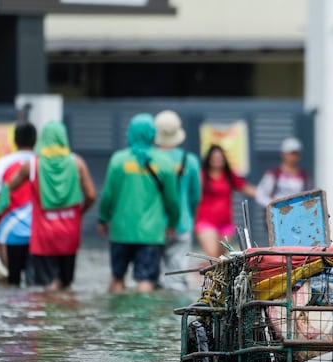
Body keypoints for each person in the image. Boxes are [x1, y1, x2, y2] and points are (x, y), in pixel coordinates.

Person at [9, 120, 97, 291]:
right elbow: (92, 195)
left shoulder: (33, 165)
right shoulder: (77, 163)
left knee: (47, 286)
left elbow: (10, 186)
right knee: (66, 284)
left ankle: (48, 315)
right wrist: (80, 212)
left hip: (44, 235)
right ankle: (66, 315)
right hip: (69, 232)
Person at [98, 113, 180, 293]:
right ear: (152, 134)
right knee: (146, 280)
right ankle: (143, 318)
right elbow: (172, 200)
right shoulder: (164, 162)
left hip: (120, 231)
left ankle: (116, 318)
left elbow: (107, 196)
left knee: (117, 278)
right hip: (150, 233)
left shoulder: (118, 160)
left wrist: (103, 219)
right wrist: (173, 222)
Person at [0, 121, 37, 286]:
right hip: (38, 234)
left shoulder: (2, 164)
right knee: (36, 288)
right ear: (35, 141)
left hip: (9, 234)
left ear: (14, 141)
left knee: (9, 285)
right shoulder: (41, 162)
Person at [153, 110, 202, 290]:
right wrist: (188, 215)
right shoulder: (189, 160)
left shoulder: (150, 159)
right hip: (182, 223)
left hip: (152, 226)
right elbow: (195, 195)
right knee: (178, 279)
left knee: (149, 280)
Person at [194, 144, 256, 258]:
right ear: (209, 159)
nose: (217, 160)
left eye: (220, 157)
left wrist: (267, 197)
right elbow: (191, 193)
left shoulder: (228, 175)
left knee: (222, 258)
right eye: (214, 157)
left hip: (226, 224)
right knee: (212, 255)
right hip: (206, 222)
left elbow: (246, 188)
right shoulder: (201, 175)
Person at [254, 136, 311, 207]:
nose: (292, 157)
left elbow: (310, 197)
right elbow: (260, 195)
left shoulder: (304, 177)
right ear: (283, 154)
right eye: (290, 153)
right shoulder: (273, 175)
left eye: (295, 154)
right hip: (277, 215)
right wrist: (275, 206)